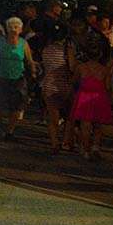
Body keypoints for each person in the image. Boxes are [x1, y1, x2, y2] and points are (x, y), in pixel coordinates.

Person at [69, 43, 113, 161]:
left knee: (85, 125)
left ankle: (85, 150)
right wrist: (110, 99)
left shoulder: (81, 67)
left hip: (84, 96)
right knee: (98, 125)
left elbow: (74, 82)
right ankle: (95, 147)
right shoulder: (104, 70)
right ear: (99, 55)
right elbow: (108, 87)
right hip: (99, 97)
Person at [0, 16, 35, 139]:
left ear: (21, 30)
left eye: (16, 27)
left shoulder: (23, 43)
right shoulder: (0, 41)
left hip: (18, 78)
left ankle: (10, 130)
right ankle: (1, 126)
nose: (14, 29)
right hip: (1, 77)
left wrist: (33, 73)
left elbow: (29, 61)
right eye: (11, 27)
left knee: (17, 106)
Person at [41, 23, 77, 153]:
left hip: (49, 85)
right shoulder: (68, 50)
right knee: (69, 116)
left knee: (53, 117)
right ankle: (66, 142)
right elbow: (72, 68)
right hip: (65, 86)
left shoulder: (46, 49)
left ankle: (54, 143)